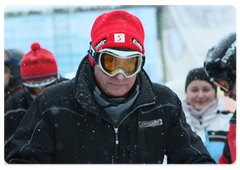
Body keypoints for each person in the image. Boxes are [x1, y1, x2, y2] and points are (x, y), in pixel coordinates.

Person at [5, 10, 216, 165]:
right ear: (93, 58)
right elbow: (23, 162)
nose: (120, 75)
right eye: (110, 63)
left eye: (130, 64)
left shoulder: (163, 103)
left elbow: (194, 160)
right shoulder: (53, 104)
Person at [2, 42, 68, 163]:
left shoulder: (74, 96)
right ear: (24, 87)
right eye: (34, 90)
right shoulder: (14, 107)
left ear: (58, 79)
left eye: (48, 88)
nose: (41, 95)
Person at [182, 67, 233, 163]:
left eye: (206, 90)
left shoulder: (230, 121)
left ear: (215, 91)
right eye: (194, 90)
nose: (200, 95)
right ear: (186, 92)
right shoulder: (177, 123)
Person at [204, 32, 237, 165]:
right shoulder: (236, 120)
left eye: (225, 84)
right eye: (220, 86)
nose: (226, 94)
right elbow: (226, 162)